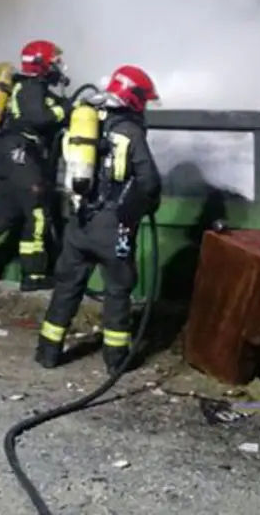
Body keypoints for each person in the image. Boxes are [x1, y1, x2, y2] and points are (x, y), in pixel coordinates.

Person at [35, 65, 162, 374]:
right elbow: (149, 182)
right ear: (133, 99)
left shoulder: (88, 122)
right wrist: (140, 208)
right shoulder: (130, 133)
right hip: (113, 227)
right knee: (117, 290)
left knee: (67, 286)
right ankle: (116, 360)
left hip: (79, 223)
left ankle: (47, 352)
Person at [0, 40, 70, 292]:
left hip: (7, 152)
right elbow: (40, 117)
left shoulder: (25, 86)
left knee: (4, 214)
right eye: (55, 61)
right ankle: (34, 276)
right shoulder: (31, 88)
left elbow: (50, 107)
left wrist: (71, 106)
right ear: (43, 64)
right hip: (21, 154)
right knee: (37, 213)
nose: (59, 67)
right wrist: (69, 110)